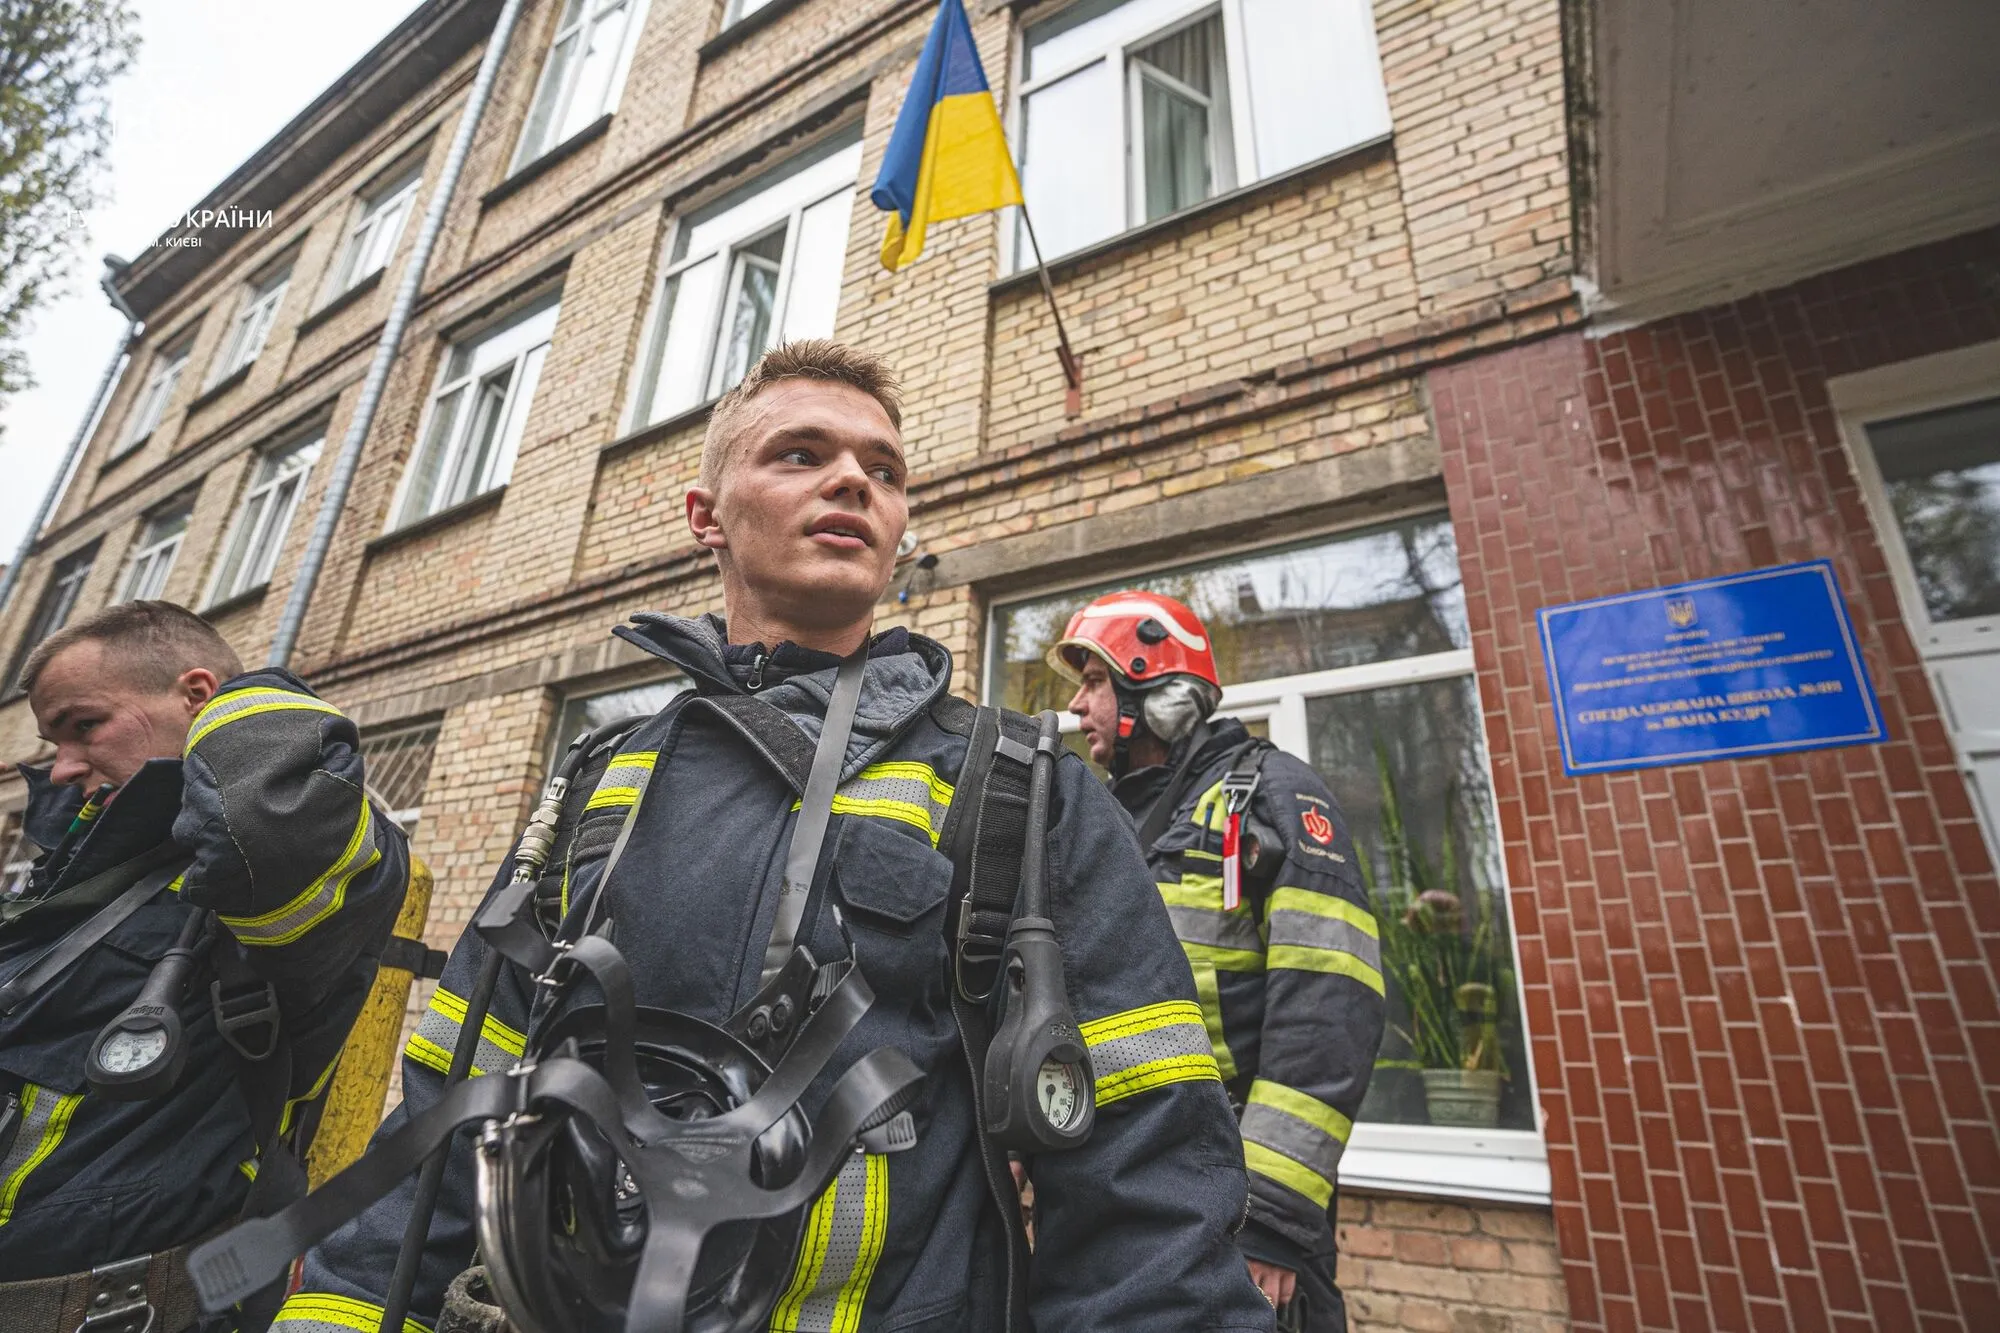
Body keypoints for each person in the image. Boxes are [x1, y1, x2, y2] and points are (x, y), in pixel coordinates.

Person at [280, 341, 1276, 1332]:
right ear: (705, 518)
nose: (853, 479)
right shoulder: (597, 777)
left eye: (882, 470)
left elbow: (1147, 1184)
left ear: (895, 529)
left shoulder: (1017, 781)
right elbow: (450, 1120)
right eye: (799, 454)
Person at [0, 600, 408, 1329]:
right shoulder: (81, 876)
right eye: (50, 740)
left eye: (83, 726)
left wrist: (236, 696)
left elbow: (269, 824)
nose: (59, 769)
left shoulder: (269, 860)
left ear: (195, 696)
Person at [1051, 591, 1386, 1333]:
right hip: (1115, 1190)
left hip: (1235, 1209)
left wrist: (1270, 1214)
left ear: (1155, 687)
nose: (1077, 705)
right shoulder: (1104, 818)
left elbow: (1331, 1009)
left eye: (1096, 681)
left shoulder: (1273, 797)